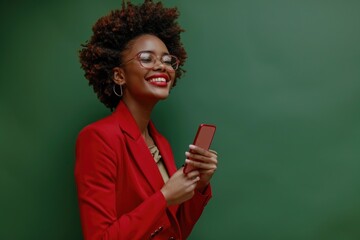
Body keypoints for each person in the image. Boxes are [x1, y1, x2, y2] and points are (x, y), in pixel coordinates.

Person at [74, 1, 218, 239]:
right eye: (147, 58)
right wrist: (164, 197)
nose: (162, 66)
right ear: (119, 75)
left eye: (167, 60)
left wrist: (199, 184)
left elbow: (175, 231)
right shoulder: (98, 138)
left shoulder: (161, 142)